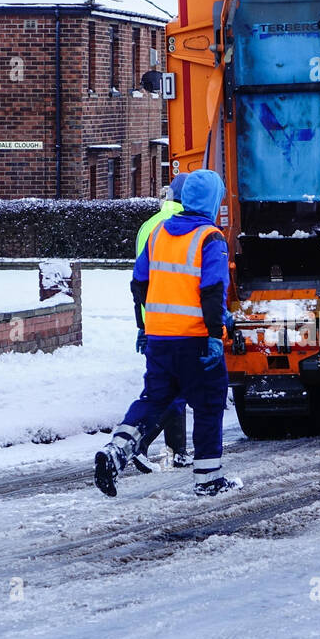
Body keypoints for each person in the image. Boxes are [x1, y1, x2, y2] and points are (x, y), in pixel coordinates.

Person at [95, 168, 240, 498]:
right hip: (196, 340)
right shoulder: (210, 237)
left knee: (154, 399)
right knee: (207, 404)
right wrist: (216, 333)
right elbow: (213, 290)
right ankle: (208, 479)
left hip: (160, 340)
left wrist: (148, 324)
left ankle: (117, 450)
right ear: (213, 201)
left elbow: (139, 283)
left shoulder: (159, 233)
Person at [131, 174, 191, 474]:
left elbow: (138, 278)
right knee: (171, 390)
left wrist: (141, 322)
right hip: (179, 321)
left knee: (170, 385)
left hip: (152, 316)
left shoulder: (148, 225)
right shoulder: (189, 227)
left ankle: (178, 451)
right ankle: (138, 443)